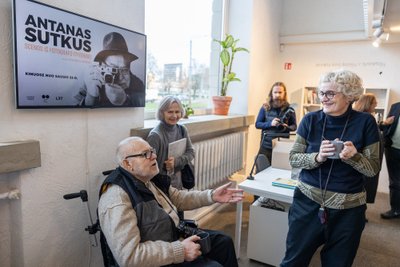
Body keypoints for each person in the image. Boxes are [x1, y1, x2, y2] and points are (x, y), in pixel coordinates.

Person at [280, 70, 381, 267]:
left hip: (348, 212)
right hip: (307, 205)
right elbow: (293, 159)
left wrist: (354, 157)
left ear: (349, 96)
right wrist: (318, 157)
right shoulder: (310, 120)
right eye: (321, 93)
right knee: (293, 261)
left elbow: (372, 169)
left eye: (330, 94)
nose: (323, 99)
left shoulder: (366, 122)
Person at [98, 136, 243, 267]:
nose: (154, 156)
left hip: (172, 237)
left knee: (224, 242)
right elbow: (129, 257)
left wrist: (211, 196)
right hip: (158, 257)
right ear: (128, 164)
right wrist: (180, 250)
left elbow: (179, 198)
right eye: (146, 154)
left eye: (152, 151)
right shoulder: (117, 198)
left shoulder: (148, 179)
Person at [74, 32, 145, 107]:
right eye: (113, 69)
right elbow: (74, 109)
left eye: (124, 70)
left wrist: (126, 100)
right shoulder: (92, 79)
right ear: (102, 66)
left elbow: (142, 100)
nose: (120, 77)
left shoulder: (136, 83)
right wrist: (91, 96)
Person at [147, 96, 194, 191]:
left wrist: (176, 162)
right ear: (161, 113)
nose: (174, 116)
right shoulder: (155, 136)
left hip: (178, 182)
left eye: (177, 111)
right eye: (170, 112)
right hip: (161, 187)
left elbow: (191, 152)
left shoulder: (182, 129)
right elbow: (149, 166)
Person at [255, 82, 297, 164]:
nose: (277, 95)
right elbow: (257, 124)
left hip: (282, 146)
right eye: (275, 92)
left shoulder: (290, 109)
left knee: (280, 170)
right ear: (271, 93)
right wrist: (270, 124)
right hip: (266, 146)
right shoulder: (265, 107)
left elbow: (294, 126)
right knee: (263, 170)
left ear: (284, 93)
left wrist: (287, 127)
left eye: (280, 92)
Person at [353, 93, 383, 205]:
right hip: (365, 157)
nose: (375, 106)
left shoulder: (363, 117)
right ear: (368, 104)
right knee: (366, 183)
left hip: (368, 156)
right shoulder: (366, 118)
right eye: (374, 104)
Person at [379, 102, 400, 219]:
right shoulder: (396, 106)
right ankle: (396, 209)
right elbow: (385, 126)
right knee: (395, 181)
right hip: (392, 148)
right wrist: (385, 123)